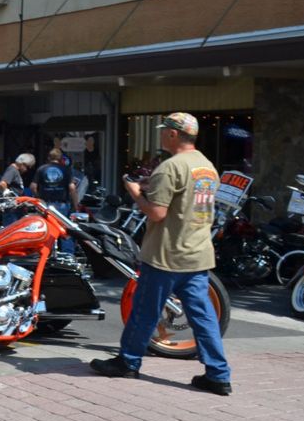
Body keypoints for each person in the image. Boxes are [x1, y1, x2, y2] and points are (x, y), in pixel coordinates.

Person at [91, 112, 232, 396]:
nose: (160, 135)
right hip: (197, 255)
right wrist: (150, 187)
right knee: (203, 316)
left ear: (172, 134)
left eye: (163, 131)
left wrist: (134, 191)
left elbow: (157, 212)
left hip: (166, 255)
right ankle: (218, 375)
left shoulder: (170, 167)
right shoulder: (206, 166)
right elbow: (186, 201)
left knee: (144, 311)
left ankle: (128, 362)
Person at [31, 148, 80, 256]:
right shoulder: (66, 170)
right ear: (60, 159)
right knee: (65, 229)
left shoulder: (41, 169)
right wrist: (76, 205)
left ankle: (47, 254)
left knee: (48, 229)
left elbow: (33, 187)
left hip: (45, 205)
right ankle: (68, 256)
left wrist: (39, 198)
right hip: (62, 204)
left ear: (48, 158)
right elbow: (72, 188)